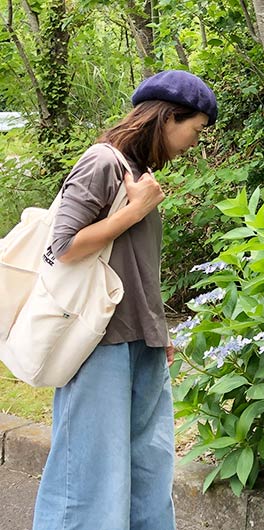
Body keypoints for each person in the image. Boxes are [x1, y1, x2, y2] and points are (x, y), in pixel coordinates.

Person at [32, 70, 217, 530]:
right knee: (89, 474)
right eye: (195, 129)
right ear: (168, 117)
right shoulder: (102, 162)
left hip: (143, 339)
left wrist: (159, 328)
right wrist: (135, 210)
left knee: (147, 469)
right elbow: (64, 246)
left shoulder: (141, 174)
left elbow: (138, 266)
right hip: (99, 342)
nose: (196, 142)